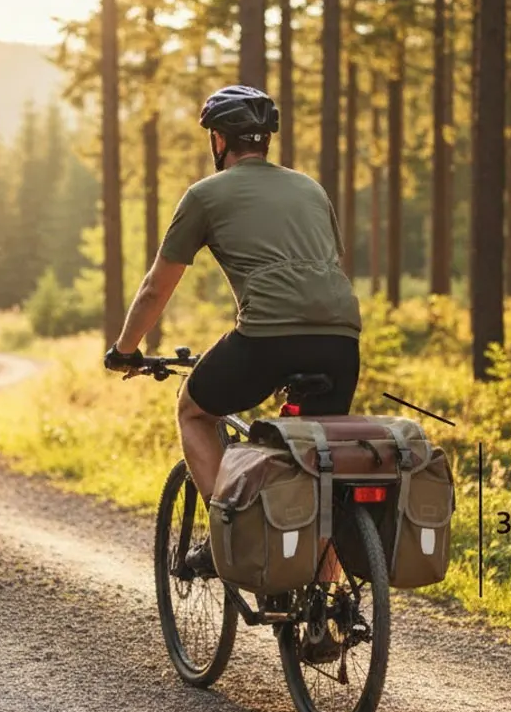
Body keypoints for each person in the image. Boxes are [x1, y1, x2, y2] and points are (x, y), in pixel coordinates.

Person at [103, 85, 362, 574]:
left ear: (219, 140)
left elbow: (157, 288)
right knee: (318, 461)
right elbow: (321, 268)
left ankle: (232, 531)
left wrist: (125, 350)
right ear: (265, 140)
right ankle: (325, 614)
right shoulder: (311, 189)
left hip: (266, 335)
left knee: (195, 411)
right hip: (341, 338)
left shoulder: (205, 194)